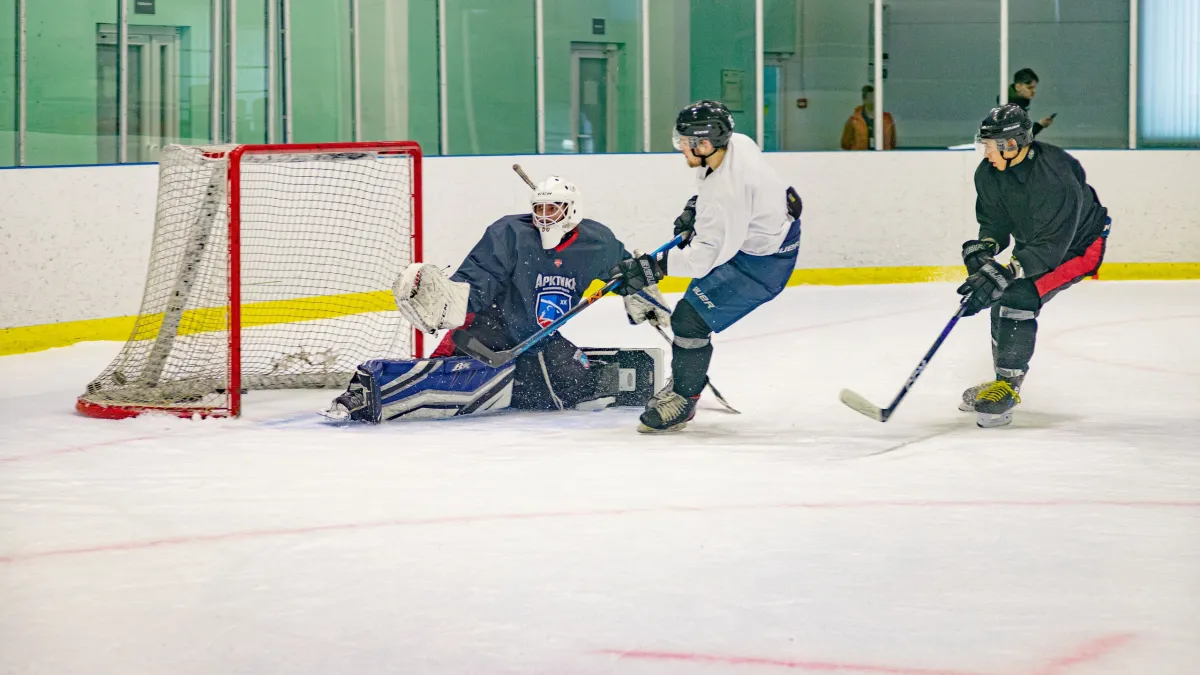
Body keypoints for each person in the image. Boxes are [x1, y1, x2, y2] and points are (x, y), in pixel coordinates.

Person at [323, 177, 669, 422]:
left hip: (539, 337)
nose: (544, 216)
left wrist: (641, 288)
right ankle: (370, 393)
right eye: (540, 208)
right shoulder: (510, 234)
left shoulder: (598, 242)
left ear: (572, 210)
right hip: (491, 330)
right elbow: (477, 279)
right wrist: (451, 305)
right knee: (458, 378)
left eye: (554, 209)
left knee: (566, 389)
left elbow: (624, 273)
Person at [609, 100, 804, 433]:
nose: (680, 147)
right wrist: (696, 208)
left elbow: (701, 261)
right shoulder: (735, 145)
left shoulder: (728, 194)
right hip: (761, 238)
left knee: (690, 319)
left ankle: (684, 399)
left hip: (763, 264)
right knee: (691, 313)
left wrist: (651, 268)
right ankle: (691, 371)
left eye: (686, 142)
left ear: (706, 143)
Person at [957, 104, 1110, 427]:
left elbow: (1052, 248)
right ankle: (1003, 381)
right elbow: (995, 223)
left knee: (1019, 296)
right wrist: (986, 250)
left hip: (1078, 246)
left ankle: (1007, 387)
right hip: (1040, 243)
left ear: (1011, 144)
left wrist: (1008, 271)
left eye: (989, 146)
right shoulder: (988, 173)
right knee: (1004, 295)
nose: (985, 153)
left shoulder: (1055, 177)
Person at [840, 85, 896, 150]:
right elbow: (845, 144)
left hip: (882, 158)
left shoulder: (887, 119)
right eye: (870, 98)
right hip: (861, 158)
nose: (872, 101)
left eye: (874, 98)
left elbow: (893, 142)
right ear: (864, 100)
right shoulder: (853, 120)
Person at [1004, 68, 1055, 137]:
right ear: (1017, 87)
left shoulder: (1017, 104)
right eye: (1029, 88)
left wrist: (1040, 125)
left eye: (1034, 88)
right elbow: (1021, 138)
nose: (1034, 91)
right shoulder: (1011, 108)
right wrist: (1039, 125)